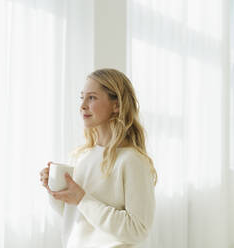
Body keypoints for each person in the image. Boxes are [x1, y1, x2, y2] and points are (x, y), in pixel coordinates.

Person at [39, 68, 158, 248]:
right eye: (82, 98)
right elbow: (73, 215)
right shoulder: (82, 156)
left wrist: (81, 198)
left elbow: (138, 229)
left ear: (116, 105)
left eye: (92, 98)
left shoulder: (132, 161)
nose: (82, 105)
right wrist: (54, 190)